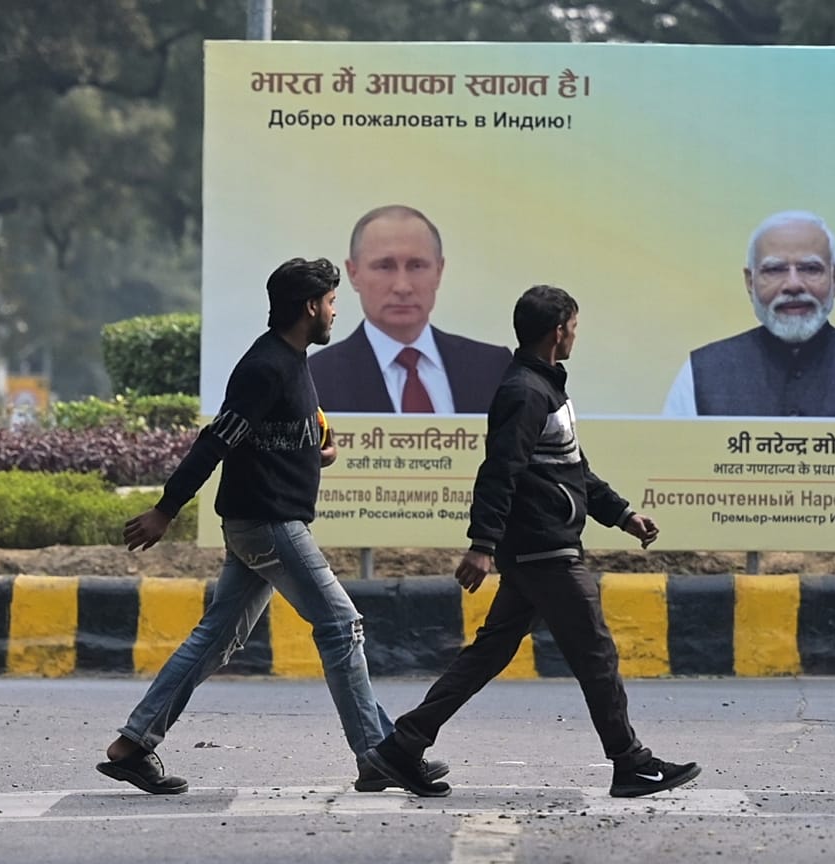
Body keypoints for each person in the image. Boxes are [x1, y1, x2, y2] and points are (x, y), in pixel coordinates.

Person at [96, 258, 447, 795]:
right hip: (268, 523)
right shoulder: (265, 367)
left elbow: (273, 436)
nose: (335, 311)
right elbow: (217, 440)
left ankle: (133, 744)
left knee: (217, 638)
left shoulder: (291, 360)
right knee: (340, 625)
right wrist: (167, 508)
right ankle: (377, 753)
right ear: (310, 307)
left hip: (260, 522)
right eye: (331, 302)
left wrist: (318, 452)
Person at [363, 284, 701, 799]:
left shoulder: (547, 389)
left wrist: (623, 515)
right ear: (558, 331)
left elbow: (574, 470)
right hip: (545, 549)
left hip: (540, 548)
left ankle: (401, 747)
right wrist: (482, 544)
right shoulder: (524, 392)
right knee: (596, 653)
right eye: (574, 328)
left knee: (489, 653)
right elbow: (500, 470)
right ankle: (630, 763)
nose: (575, 336)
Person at [661, 210, 835, 418]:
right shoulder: (701, 374)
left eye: (810, 269)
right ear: (750, 282)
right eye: (775, 270)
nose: (793, 285)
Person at [309, 205, 512, 414]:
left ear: (439, 271)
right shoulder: (315, 380)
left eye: (416, 266)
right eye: (385, 266)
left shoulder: (494, 369)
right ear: (353, 273)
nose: (402, 287)